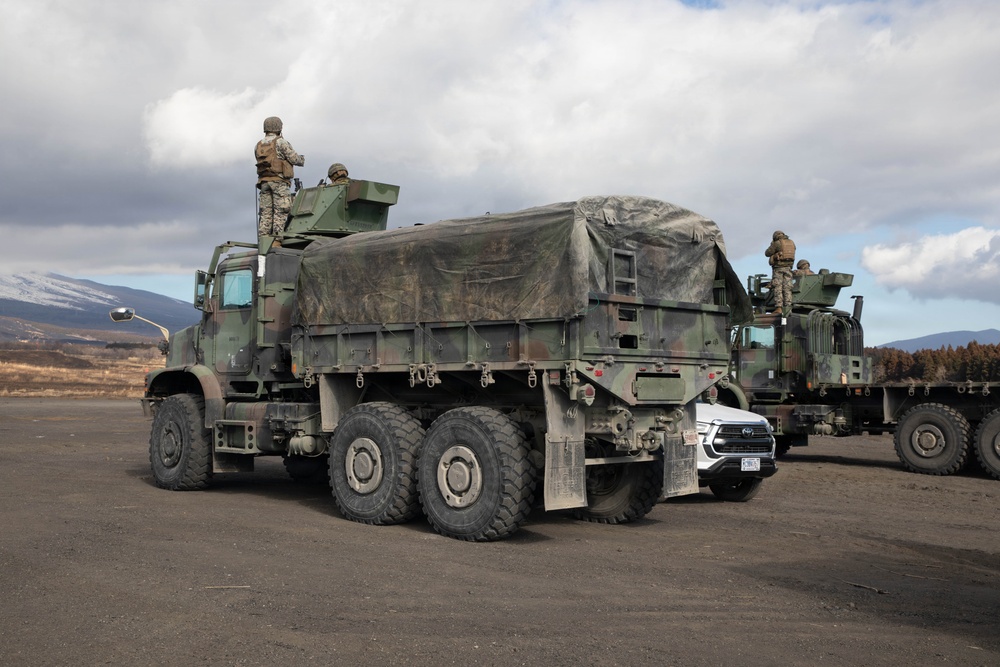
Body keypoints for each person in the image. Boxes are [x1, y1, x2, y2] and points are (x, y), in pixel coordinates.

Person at [255, 116, 305, 240]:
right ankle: (278, 239)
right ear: (279, 128)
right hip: (279, 182)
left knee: (265, 213)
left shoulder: (258, 145)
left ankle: (264, 240)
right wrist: (302, 159)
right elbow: (294, 159)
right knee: (281, 211)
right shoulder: (281, 142)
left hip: (264, 183)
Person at [764, 230, 796, 315]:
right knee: (787, 288)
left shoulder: (777, 243)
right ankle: (788, 308)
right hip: (788, 268)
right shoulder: (791, 242)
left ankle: (779, 308)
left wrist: (773, 244)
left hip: (779, 268)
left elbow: (767, 253)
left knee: (778, 287)